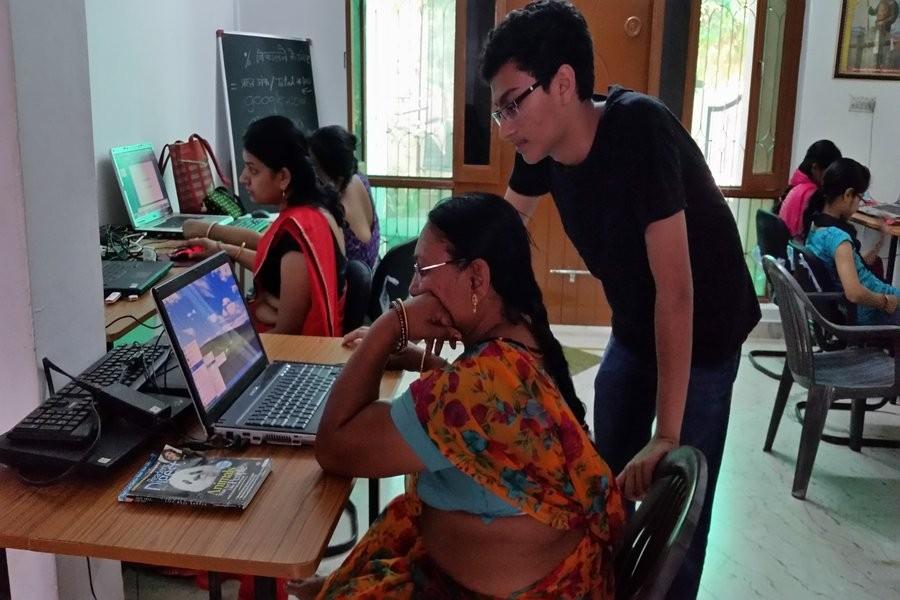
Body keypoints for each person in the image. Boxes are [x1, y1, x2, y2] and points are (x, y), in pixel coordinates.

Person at [479, 2, 760, 597]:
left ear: (563, 83)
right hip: (635, 328)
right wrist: (418, 308)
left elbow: (677, 291)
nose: (505, 126)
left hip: (705, 333)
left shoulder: (639, 129)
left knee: (674, 500)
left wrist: (667, 434)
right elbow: (495, 241)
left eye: (512, 104)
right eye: (498, 109)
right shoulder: (542, 151)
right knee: (603, 483)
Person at [304, 193, 624, 599]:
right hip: (554, 576)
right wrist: (416, 358)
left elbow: (335, 445)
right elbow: (490, 421)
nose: (414, 285)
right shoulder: (523, 335)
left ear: (477, 278)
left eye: (423, 270)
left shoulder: (476, 385)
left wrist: (390, 325)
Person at [185, 116, 346, 336]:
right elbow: (272, 256)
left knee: (199, 331)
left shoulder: (298, 236)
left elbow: (287, 332)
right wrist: (221, 246)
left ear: (283, 177)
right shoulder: (312, 209)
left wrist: (233, 347)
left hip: (294, 353)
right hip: (281, 337)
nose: (243, 178)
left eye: (253, 170)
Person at [803, 158, 900, 325]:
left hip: (864, 306)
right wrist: (885, 301)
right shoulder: (839, 240)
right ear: (848, 195)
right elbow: (854, 293)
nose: (858, 206)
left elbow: (857, 267)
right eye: (860, 199)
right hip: (869, 311)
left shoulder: (816, 228)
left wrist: (879, 242)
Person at [309, 125, 381, 268]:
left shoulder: (335, 208)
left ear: (335, 177)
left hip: (355, 286)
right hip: (374, 271)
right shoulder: (360, 179)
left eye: (316, 167)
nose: (313, 173)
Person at [777, 139, 842, 238]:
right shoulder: (811, 193)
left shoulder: (795, 187)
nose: (831, 179)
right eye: (829, 173)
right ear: (815, 168)